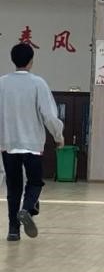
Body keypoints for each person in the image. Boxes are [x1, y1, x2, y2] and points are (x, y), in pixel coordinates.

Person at [0, 43, 64, 241]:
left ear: (13, 60)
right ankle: (27, 209)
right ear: (31, 61)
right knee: (35, 183)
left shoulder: (2, 83)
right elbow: (49, 115)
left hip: (8, 144)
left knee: (13, 188)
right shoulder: (38, 83)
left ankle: (13, 231)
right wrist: (58, 136)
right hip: (33, 145)